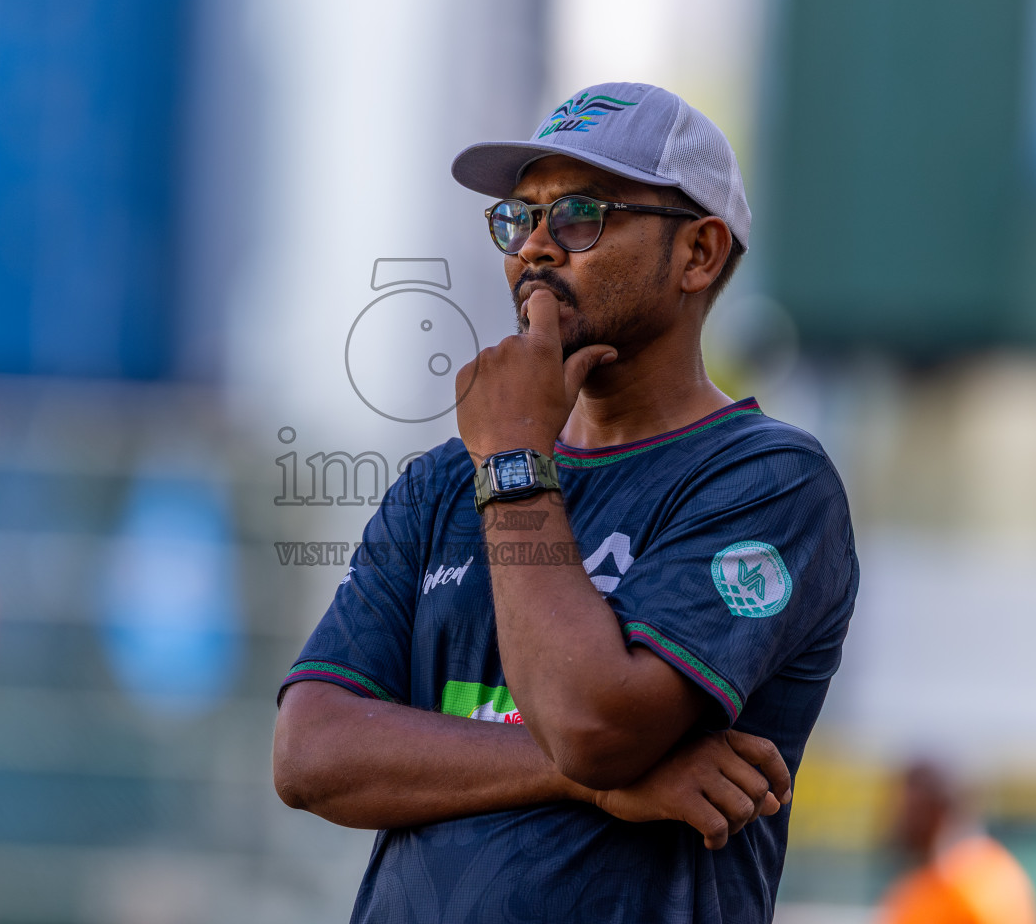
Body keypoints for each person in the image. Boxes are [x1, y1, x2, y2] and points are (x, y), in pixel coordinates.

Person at [273, 81, 860, 923]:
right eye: (520, 218)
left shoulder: (767, 481)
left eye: (582, 214)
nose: (536, 248)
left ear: (697, 252)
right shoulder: (445, 480)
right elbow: (311, 751)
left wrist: (515, 461)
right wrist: (600, 781)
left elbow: (592, 725)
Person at [877, 762, 1036, 924]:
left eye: (912, 809)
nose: (901, 821)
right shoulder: (918, 884)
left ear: (938, 810)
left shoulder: (979, 883)